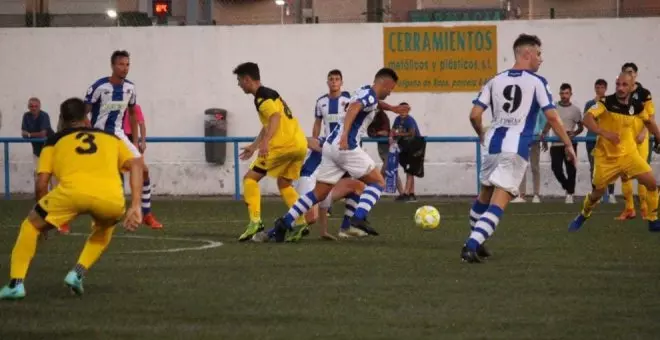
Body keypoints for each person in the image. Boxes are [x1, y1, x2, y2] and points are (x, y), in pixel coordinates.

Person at [0, 98, 144, 300]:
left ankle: (16, 283)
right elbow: (138, 165)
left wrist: (42, 214)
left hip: (70, 194)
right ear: (86, 118)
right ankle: (77, 273)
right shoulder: (111, 138)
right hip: (109, 197)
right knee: (104, 230)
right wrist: (136, 205)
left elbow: (42, 183)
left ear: (62, 120)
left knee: (30, 226)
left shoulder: (54, 141)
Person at [462, 34, 577, 263]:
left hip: (492, 145)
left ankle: (477, 240)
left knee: (484, 194)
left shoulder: (494, 80)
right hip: (515, 148)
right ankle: (471, 246)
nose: (541, 59)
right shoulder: (537, 82)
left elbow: (475, 115)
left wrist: (482, 134)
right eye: (539, 53)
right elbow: (552, 117)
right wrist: (567, 144)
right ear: (527, 54)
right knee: (499, 202)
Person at [269, 68, 400, 242]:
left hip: (330, 147)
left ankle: (283, 223)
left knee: (318, 194)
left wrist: (392, 108)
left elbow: (370, 104)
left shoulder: (365, 90)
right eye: (391, 88)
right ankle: (357, 218)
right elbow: (354, 108)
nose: (391, 92)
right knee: (378, 182)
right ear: (385, 83)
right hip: (346, 146)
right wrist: (345, 135)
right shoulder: (368, 96)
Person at [569, 72, 660, 232]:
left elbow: (648, 121)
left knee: (652, 183)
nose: (620, 88)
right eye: (618, 84)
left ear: (632, 87)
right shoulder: (606, 102)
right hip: (606, 158)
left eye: (625, 85)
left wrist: (658, 136)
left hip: (629, 155)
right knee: (597, 193)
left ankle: (652, 220)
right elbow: (587, 118)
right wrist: (603, 132)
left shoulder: (637, 106)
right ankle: (584, 213)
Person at [84, 50, 163, 229]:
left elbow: (133, 114)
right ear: (112, 66)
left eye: (127, 64)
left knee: (143, 170)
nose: (125, 68)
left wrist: (135, 141)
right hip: (100, 137)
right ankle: (94, 216)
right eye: (121, 64)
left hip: (119, 136)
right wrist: (89, 133)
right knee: (102, 178)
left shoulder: (130, 88)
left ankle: (146, 214)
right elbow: (84, 113)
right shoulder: (99, 87)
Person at [233, 62, 309, 242]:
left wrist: (266, 143)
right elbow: (269, 123)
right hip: (299, 144)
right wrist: (254, 145)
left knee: (250, 179)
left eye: (239, 81)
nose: (239, 85)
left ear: (247, 79)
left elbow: (275, 118)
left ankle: (255, 222)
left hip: (282, 145)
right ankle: (299, 222)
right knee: (284, 184)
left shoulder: (261, 98)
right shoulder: (271, 94)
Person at [616, 63, 655, 220]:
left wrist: (644, 132)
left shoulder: (644, 93)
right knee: (624, 174)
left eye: (631, 72)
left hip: (640, 139)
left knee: (642, 173)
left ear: (636, 75)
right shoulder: (620, 93)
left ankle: (644, 209)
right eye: (625, 72)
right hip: (625, 140)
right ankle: (629, 209)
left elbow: (651, 116)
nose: (628, 75)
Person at [545, 83, 583, 204]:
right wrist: (544, 136)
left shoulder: (576, 110)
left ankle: (570, 194)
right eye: (562, 93)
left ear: (571, 94)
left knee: (571, 169)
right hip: (556, 144)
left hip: (570, 144)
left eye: (566, 93)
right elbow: (549, 122)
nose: (564, 96)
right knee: (556, 168)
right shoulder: (554, 107)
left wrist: (575, 133)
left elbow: (581, 126)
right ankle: (568, 187)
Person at [584, 79, 616, 203]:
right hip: (592, 139)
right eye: (597, 87)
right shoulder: (589, 104)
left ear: (606, 89)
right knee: (594, 168)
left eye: (602, 87)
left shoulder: (611, 103)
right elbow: (585, 121)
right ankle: (596, 195)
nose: (599, 90)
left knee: (611, 167)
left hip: (607, 139)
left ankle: (611, 193)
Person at [391, 103, 425, 202]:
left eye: (405, 109)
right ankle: (411, 193)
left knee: (410, 170)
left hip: (414, 145)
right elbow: (393, 130)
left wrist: (398, 134)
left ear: (409, 109)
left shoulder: (409, 120)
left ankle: (406, 193)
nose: (402, 111)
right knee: (408, 169)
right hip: (404, 146)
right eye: (401, 109)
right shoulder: (397, 119)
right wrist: (391, 136)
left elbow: (412, 133)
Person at [312, 69, 351, 138]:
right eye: (331, 79)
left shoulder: (349, 101)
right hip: (328, 143)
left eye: (337, 79)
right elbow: (317, 124)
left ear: (341, 83)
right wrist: (314, 139)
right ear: (327, 83)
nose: (334, 82)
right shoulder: (321, 102)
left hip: (344, 143)